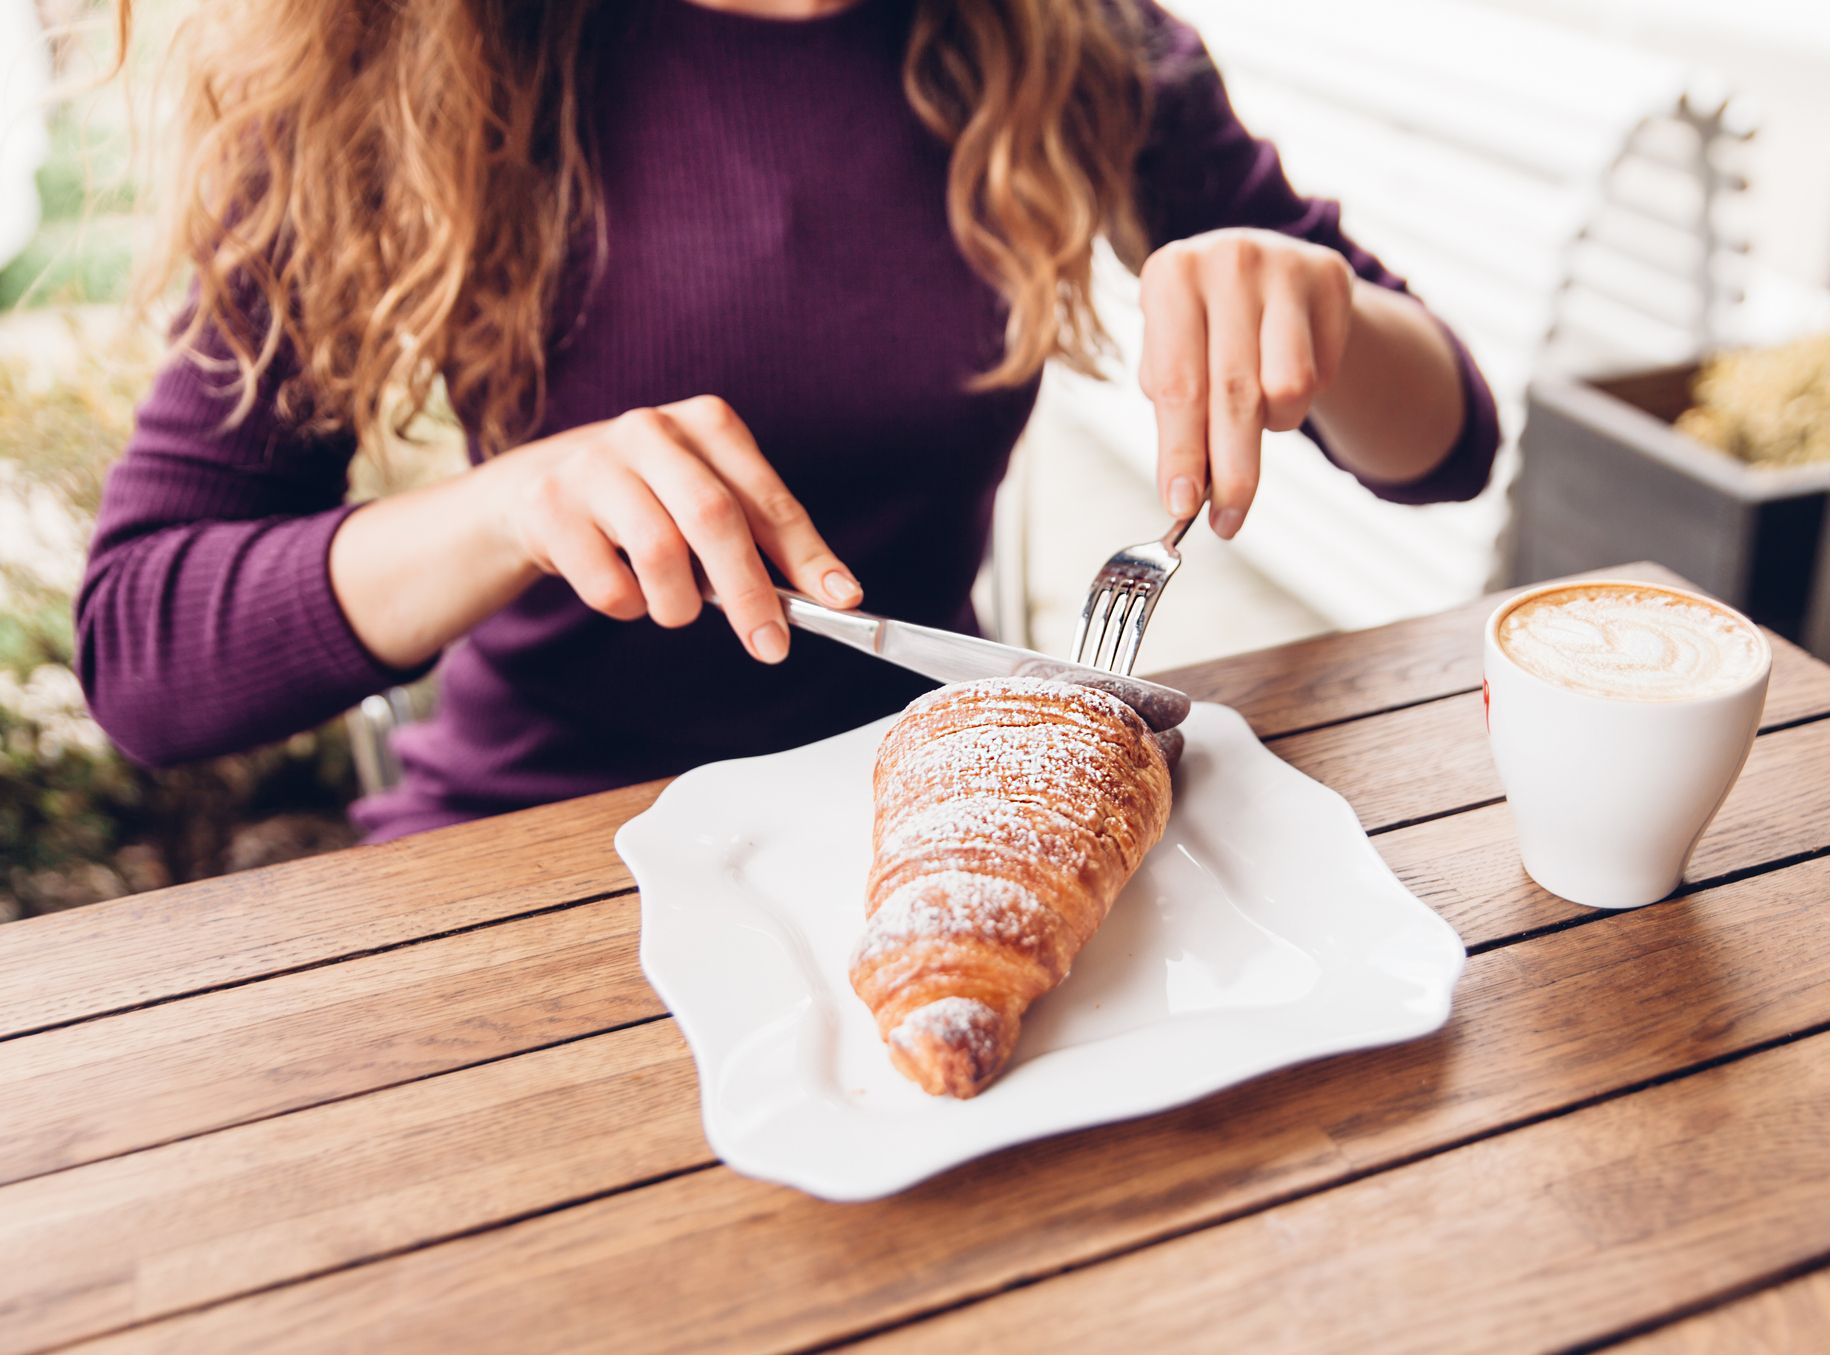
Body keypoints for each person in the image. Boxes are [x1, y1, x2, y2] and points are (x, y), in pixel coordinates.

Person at [77, 0, 1499, 841]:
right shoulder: (406, 55)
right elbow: (142, 652)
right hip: (535, 856)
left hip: (925, 822)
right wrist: (512, 505)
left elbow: (1446, 448)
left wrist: (1325, 312)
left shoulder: (1074, 43)